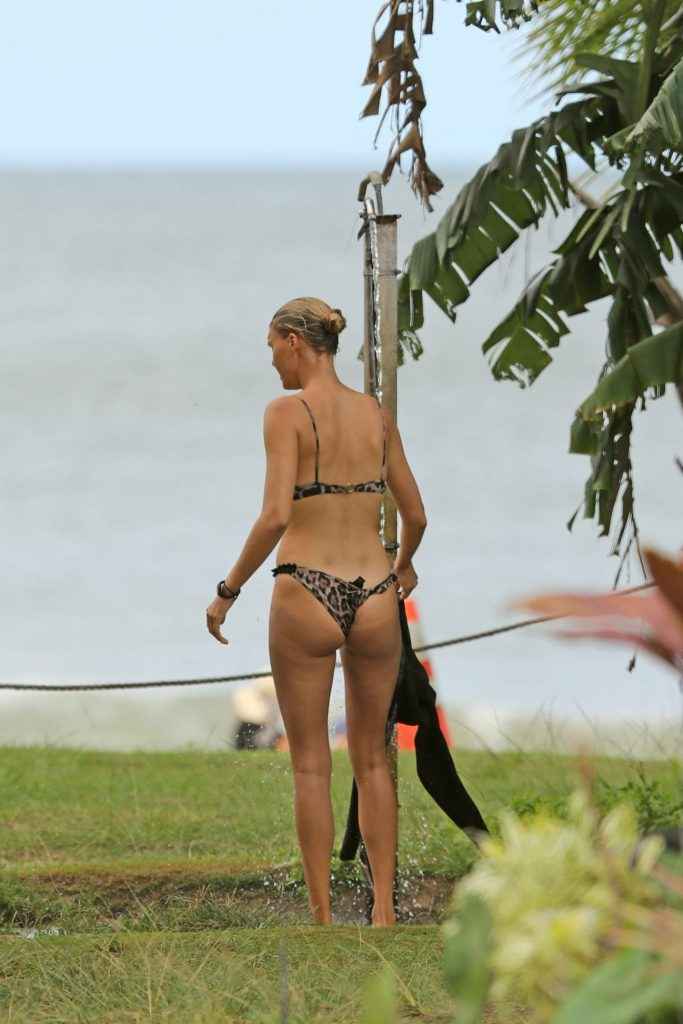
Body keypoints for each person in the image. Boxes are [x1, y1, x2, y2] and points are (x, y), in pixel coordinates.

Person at [205, 297, 427, 927]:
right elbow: (416, 514)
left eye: (272, 347)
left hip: (306, 587)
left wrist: (228, 590)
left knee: (309, 763)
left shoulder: (285, 413)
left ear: (294, 342)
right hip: (375, 591)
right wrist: (405, 565)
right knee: (374, 759)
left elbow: (276, 515)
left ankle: (323, 916)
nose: (272, 360)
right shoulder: (375, 414)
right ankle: (383, 912)